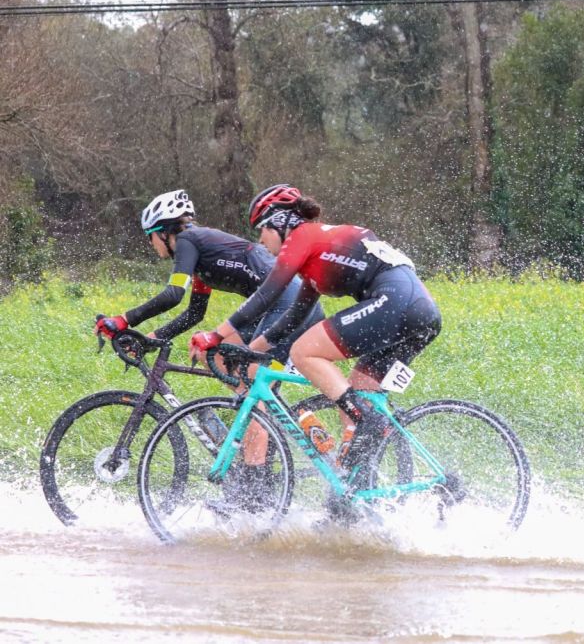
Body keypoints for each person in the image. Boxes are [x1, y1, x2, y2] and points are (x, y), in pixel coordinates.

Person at [188, 184, 442, 510]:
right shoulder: (316, 256)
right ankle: (354, 502)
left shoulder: (303, 236)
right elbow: (293, 317)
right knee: (361, 388)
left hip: (397, 301)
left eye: (262, 228)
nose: (260, 239)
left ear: (281, 222)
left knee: (304, 352)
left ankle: (366, 420)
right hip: (419, 312)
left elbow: (267, 294)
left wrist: (216, 335)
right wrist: (253, 350)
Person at [95, 189, 324, 505]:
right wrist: (153, 338)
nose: (151, 245)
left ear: (163, 232)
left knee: (252, 394)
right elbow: (194, 313)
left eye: (150, 237)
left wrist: (123, 320)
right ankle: (261, 429)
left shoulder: (188, 241)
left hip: (288, 306)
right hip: (280, 305)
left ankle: (252, 492)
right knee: (211, 355)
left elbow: (173, 295)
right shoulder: (202, 253)